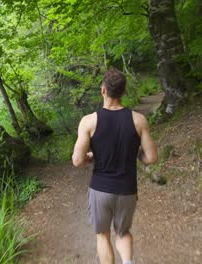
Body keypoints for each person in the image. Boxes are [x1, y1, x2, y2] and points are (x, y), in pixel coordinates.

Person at [72, 68, 158, 264]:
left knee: (102, 235)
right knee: (123, 232)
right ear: (123, 92)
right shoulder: (138, 120)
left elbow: (77, 161)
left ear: (103, 90)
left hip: (100, 188)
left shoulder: (88, 122)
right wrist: (132, 154)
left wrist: (91, 157)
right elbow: (151, 157)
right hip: (127, 189)